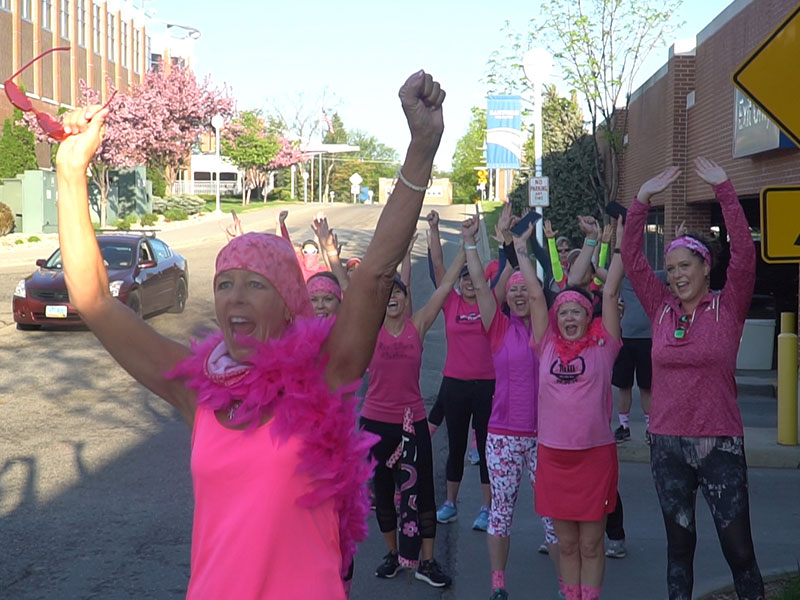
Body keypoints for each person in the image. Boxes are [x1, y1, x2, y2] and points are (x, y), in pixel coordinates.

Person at [52, 69, 447, 599]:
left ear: (288, 306)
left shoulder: (325, 376)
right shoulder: (196, 391)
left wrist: (421, 148)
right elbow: (94, 300)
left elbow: (376, 270)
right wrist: (70, 172)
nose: (234, 297)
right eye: (224, 284)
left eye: (254, 285)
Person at [621, 157, 764, 600]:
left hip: (719, 442)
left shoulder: (728, 307)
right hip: (667, 445)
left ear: (705, 267)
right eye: (673, 267)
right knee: (679, 549)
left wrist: (724, 189)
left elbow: (744, 253)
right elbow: (631, 258)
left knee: (738, 550)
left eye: (687, 265)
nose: (678, 274)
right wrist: (642, 199)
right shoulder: (662, 309)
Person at [460, 215, 558, 600]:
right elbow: (483, 289)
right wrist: (471, 242)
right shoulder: (497, 328)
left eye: (524, 288)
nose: (519, 294)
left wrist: (521, 249)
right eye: (512, 289)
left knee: (552, 519)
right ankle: (498, 585)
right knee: (500, 513)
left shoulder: (544, 330)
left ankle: (567, 586)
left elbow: (538, 295)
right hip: (502, 436)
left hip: (545, 435)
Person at [531, 218, 625, 600]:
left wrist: (616, 239)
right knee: (567, 545)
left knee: (591, 545)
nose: (570, 317)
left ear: (590, 318)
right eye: (564, 313)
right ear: (557, 321)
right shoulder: (546, 346)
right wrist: (521, 247)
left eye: (578, 313)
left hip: (594, 457)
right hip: (553, 458)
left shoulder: (606, 346)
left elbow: (610, 288)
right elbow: (538, 295)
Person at [361, 248, 465, 588]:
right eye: (387, 294)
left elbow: (446, 285)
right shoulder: (368, 330)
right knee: (384, 490)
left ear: (406, 300)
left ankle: (428, 561)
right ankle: (392, 554)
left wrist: (466, 248)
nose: (392, 298)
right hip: (375, 423)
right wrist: (328, 248)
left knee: (422, 493)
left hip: (412, 422)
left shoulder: (416, 325)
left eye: (398, 293)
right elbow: (351, 293)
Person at [427, 209, 496, 531]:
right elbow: (440, 267)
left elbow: (507, 269)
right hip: (454, 384)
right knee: (456, 446)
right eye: (464, 278)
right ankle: (450, 503)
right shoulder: (450, 303)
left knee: (485, 449)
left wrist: (507, 239)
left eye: (474, 278)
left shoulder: (489, 301)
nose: (469, 283)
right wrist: (434, 229)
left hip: (487, 385)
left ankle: (486, 509)